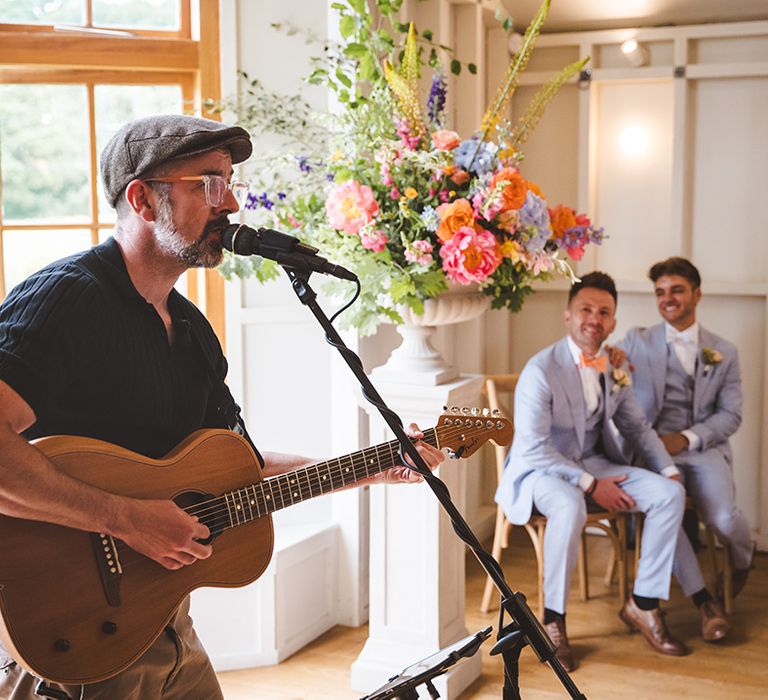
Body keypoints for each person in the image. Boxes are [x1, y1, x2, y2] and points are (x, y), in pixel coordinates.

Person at [0, 114, 444, 699]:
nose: (230, 201)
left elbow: (240, 470)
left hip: (165, 621)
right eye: (208, 183)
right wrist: (127, 519)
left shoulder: (191, 331)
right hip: (76, 634)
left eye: (230, 181)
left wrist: (374, 466)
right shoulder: (68, 297)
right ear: (143, 198)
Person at [495, 271, 690, 672]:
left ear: (613, 322)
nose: (594, 318)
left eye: (604, 312)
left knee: (671, 494)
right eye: (586, 309)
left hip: (594, 463)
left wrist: (669, 470)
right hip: (539, 470)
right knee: (569, 506)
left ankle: (644, 605)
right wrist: (590, 484)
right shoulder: (540, 369)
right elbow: (533, 448)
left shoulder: (613, 367)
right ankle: (553, 621)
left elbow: (637, 427)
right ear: (568, 315)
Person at [617, 257, 754, 639]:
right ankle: (706, 604)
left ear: (697, 293)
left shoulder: (723, 351)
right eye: (660, 292)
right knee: (666, 509)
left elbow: (732, 415)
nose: (668, 299)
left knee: (725, 518)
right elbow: (601, 364)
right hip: (653, 452)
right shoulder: (636, 340)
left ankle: (743, 559)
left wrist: (688, 438)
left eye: (676, 290)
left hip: (702, 448)